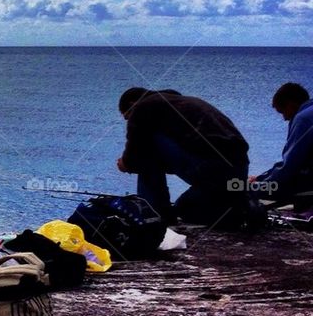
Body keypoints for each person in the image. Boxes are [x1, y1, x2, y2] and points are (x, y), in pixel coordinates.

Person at [116, 87, 249, 226]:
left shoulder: (143, 107)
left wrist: (125, 164)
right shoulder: (181, 103)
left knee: (146, 148)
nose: (129, 121)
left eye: (128, 117)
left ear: (132, 104)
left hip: (210, 167)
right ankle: (239, 206)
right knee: (184, 209)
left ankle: (154, 214)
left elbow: (135, 153)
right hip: (238, 169)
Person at [251, 82, 313, 207]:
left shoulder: (303, 119)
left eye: (282, 112)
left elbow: (289, 167)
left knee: (241, 189)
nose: (284, 118)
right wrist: (260, 178)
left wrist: (258, 183)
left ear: (290, 105)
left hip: (308, 185)